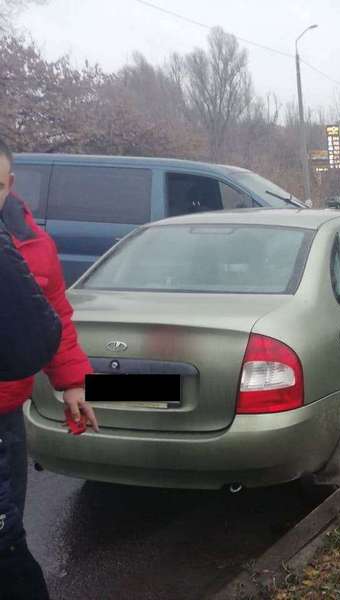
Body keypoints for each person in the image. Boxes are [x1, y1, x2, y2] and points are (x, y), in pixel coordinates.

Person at [0, 137, 98, 600]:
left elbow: (54, 312)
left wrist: (73, 383)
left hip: (5, 416)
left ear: (10, 183)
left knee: (5, 534)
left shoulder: (34, 244)